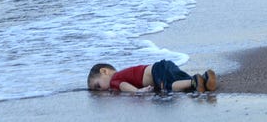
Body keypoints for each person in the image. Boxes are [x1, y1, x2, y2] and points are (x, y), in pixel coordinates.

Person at [87, 59, 217, 94]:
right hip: (163, 65)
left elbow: (123, 86)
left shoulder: (114, 80)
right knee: (180, 80)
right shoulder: (123, 73)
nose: (101, 90)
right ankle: (204, 79)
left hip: (156, 71)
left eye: (98, 86)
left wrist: (137, 91)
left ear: (104, 71)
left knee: (168, 87)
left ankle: (194, 81)